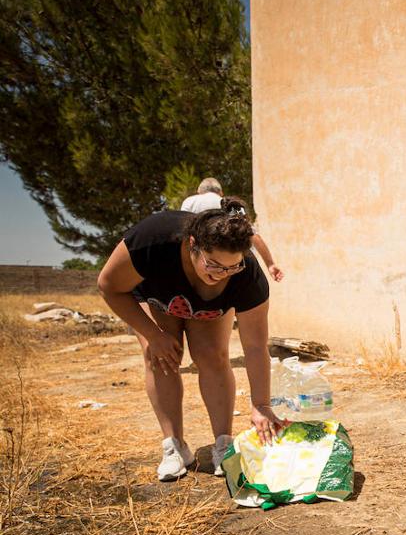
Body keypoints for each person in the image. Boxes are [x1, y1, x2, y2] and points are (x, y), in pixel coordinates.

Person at [98, 197, 287, 482]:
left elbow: (255, 346)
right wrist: (153, 334)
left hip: (210, 309)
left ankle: (223, 443)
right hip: (159, 296)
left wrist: (261, 404)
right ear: (192, 245)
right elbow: (108, 286)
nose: (222, 274)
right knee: (159, 356)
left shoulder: (247, 275)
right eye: (213, 265)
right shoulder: (153, 240)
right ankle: (174, 446)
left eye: (231, 268)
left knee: (213, 355)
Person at [181, 178, 285, 283]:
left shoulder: (190, 201)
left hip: (199, 267)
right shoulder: (231, 205)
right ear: (221, 192)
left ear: (199, 192)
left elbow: (181, 230)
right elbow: (252, 234)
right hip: (231, 269)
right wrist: (270, 264)